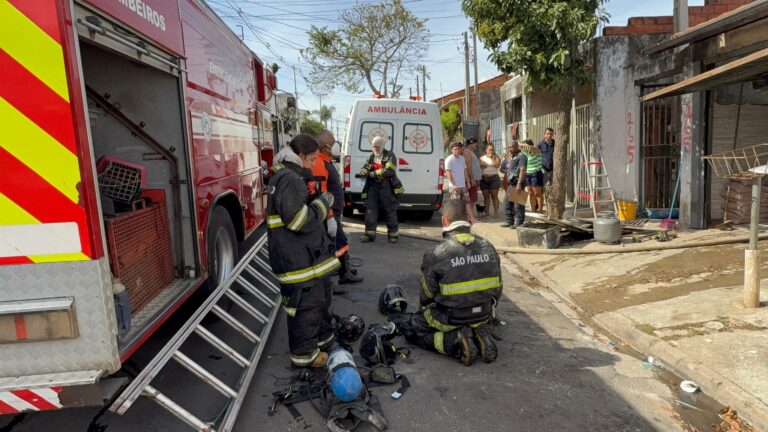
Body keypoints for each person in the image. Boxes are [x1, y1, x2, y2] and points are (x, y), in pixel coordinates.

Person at [391, 199, 502, 366]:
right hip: (483, 313)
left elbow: (426, 296)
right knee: (473, 317)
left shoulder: (436, 253)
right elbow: (498, 290)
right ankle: (478, 331)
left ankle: (456, 341)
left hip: (452, 317)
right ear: (467, 219)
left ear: (444, 221)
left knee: (413, 328)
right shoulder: (489, 246)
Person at [267, 134, 339, 368]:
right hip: (296, 259)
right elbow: (298, 221)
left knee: (317, 299)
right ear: (300, 156)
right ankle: (305, 355)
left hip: (300, 256)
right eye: (311, 160)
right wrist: (323, 204)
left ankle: (322, 338)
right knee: (306, 306)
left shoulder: (287, 176)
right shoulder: (290, 180)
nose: (312, 165)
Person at [313, 131, 363, 288]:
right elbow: (321, 193)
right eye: (334, 142)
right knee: (331, 247)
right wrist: (329, 217)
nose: (337, 145)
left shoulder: (326, 161)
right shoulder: (320, 164)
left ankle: (343, 271)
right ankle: (330, 283)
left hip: (333, 214)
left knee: (340, 244)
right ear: (326, 146)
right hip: (329, 215)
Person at [358, 135, 403, 243]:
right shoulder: (371, 157)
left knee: (390, 210)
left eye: (377, 147)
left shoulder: (390, 155)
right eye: (374, 146)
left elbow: (390, 171)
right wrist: (363, 171)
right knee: (370, 210)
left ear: (382, 146)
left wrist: (373, 173)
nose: (375, 149)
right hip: (373, 187)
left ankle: (393, 235)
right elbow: (365, 167)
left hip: (386, 186)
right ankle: (369, 234)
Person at [444, 142, 475, 223]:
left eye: (458, 149)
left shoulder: (462, 158)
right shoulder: (449, 159)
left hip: (463, 185)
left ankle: (472, 218)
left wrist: (468, 181)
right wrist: (453, 185)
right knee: (456, 205)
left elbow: (465, 171)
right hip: (455, 187)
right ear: (451, 150)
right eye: (455, 149)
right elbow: (448, 173)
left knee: (467, 202)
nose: (457, 151)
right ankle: (455, 221)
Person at [502, 140, 527, 228]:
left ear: (516, 147)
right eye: (508, 147)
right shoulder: (514, 156)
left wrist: (519, 184)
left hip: (518, 183)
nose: (509, 149)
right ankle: (509, 221)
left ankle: (519, 222)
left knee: (518, 204)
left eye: (511, 147)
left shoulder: (522, 157)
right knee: (506, 202)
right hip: (512, 184)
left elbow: (523, 170)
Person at [478, 144, 501, 218]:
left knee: (495, 196)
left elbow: (497, 165)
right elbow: (480, 167)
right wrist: (481, 165)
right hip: (484, 179)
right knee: (486, 197)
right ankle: (486, 212)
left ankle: (496, 213)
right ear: (486, 150)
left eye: (492, 149)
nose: (491, 151)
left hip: (494, 178)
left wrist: (491, 158)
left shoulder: (496, 157)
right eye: (490, 149)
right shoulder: (482, 158)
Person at [522, 139, 544, 213]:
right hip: (528, 174)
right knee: (531, 193)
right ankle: (533, 210)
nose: (523, 147)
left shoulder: (535, 150)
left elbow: (528, 147)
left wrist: (519, 143)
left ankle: (540, 210)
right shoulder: (525, 153)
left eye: (525, 145)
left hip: (536, 173)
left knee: (537, 193)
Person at [536, 128, 555, 212]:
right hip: (543, 169)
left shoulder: (555, 143)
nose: (549, 136)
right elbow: (534, 152)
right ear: (544, 135)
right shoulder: (541, 143)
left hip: (553, 169)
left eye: (551, 134)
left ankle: (550, 208)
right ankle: (539, 206)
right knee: (541, 189)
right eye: (547, 134)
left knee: (552, 189)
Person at [463, 137, 481, 219]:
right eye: (475, 143)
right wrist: (472, 179)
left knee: (473, 198)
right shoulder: (467, 152)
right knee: (471, 198)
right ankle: (468, 216)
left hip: (475, 179)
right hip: (471, 179)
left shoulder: (471, 152)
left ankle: (468, 215)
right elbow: (468, 166)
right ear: (471, 143)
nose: (476, 145)